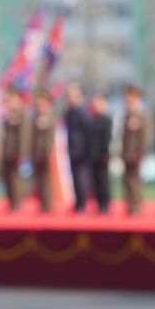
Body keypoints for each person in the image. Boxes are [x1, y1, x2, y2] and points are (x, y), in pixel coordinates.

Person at [121, 85, 151, 215]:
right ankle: (130, 204)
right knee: (128, 180)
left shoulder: (142, 115)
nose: (129, 100)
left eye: (132, 97)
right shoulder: (127, 115)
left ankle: (136, 205)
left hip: (136, 153)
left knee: (135, 180)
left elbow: (146, 135)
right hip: (127, 153)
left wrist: (142, 152)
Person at [64, 83, 91, 213]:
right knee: (74, 178)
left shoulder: (83, 112)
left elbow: (87, 132)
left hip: (82, 151)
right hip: (72, 150)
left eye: (74, 95)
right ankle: (78, 203)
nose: (71, 98)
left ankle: (82, 204)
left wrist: (86, 150)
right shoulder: (69, 112)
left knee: (81, 179)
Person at [30, 90, 55, 213]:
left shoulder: (50, 118)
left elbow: (51, 138)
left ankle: (48, 205)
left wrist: (48, 152)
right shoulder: (35, 118)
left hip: (46, 153)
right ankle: (42, 204)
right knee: (38, 180)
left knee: (46, 180)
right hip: (36, 153)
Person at [88, 92, 113, 214]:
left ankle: (105, 205)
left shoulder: (107, 120)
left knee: (103, 182)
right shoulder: (92, 120)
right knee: (95, 182)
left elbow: (107, 139)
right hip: (93, 155)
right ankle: (98, 203)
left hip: (103, 155)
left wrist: (106, 153)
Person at [2, 87, 25, 211]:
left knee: (16, 178)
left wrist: (22, 152)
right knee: (8, 177)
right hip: (7, 150)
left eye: (11, 97)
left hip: (16, 150)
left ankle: (18, 202)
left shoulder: (21, 112)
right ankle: (12, 201)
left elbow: (23, 134)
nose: (9, 100)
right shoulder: (8, 113)